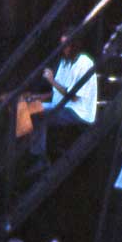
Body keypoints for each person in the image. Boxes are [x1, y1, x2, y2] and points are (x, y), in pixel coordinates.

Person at [29, 32, 97, 166]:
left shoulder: (85, 63)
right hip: (60, 105)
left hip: (78, 111)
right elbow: (58, 91)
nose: (63, 48)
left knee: (39, 116)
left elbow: (74, 96)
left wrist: (51, 80)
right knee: (26, 108)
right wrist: (37, 97)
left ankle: (39, 158)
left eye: (66, 45)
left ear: (74, 45)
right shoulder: (64, 62)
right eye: (62, 45)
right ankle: (30, 153)